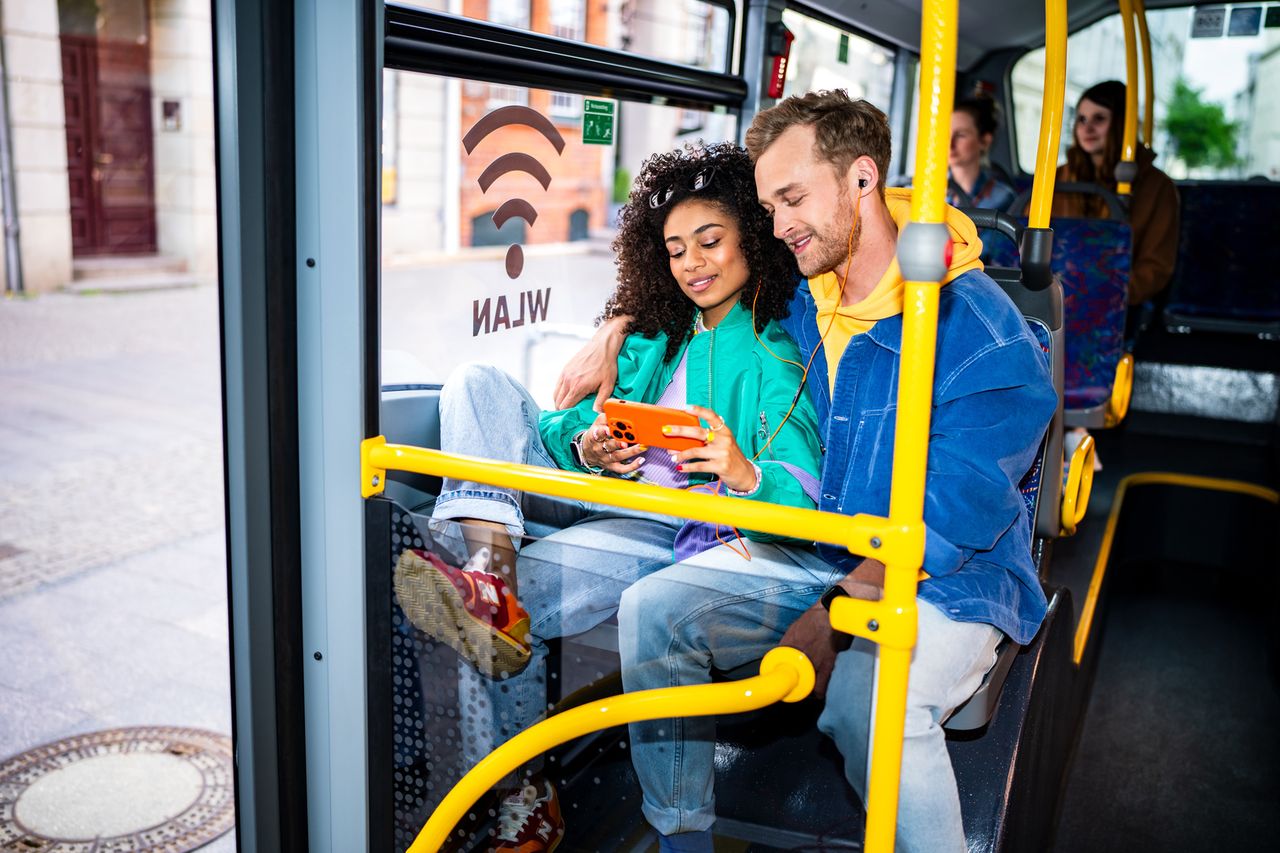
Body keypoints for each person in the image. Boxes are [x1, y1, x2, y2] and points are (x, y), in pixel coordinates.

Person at [559, 90, 1057, 853]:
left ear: (862, 179)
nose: (779, 223)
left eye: (792, 197)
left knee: (870, 701)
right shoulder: (798, 296)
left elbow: (952, 512)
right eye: (769, 205)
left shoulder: (980, 333)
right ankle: (682, 838)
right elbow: (696, 300)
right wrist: (614, 325)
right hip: (808, 547)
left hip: (940, 576)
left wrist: (835, 608)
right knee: (651, 611)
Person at [393, 141, 824, 853]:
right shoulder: (654, 333)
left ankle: (525, 792)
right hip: (612, 501)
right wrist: (590, 447)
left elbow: (800, 484)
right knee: (474, 382)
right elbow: (566, 425)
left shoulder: (774, 350)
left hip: (680, 532)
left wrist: (742, 470)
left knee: (505, 626)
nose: (693, 263)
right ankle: (490, 578)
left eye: (711, 241)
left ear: (753, 237)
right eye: (677, 248)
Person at [1054, 80, 1179, 306]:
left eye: (1099, 119)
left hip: (1115, 303)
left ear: (1122, 123)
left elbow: (1155, 265)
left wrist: (1111, 295)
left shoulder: (1157, 186)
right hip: (1055, 294)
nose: (1087, 128)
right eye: (1081, 119)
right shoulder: (1058, 178)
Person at [947, 93, 1016, 211]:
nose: (950, 143)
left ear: (984, 141)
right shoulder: (930, 192)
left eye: (960, 135)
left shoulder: (1003, 199)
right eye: (946, 134)